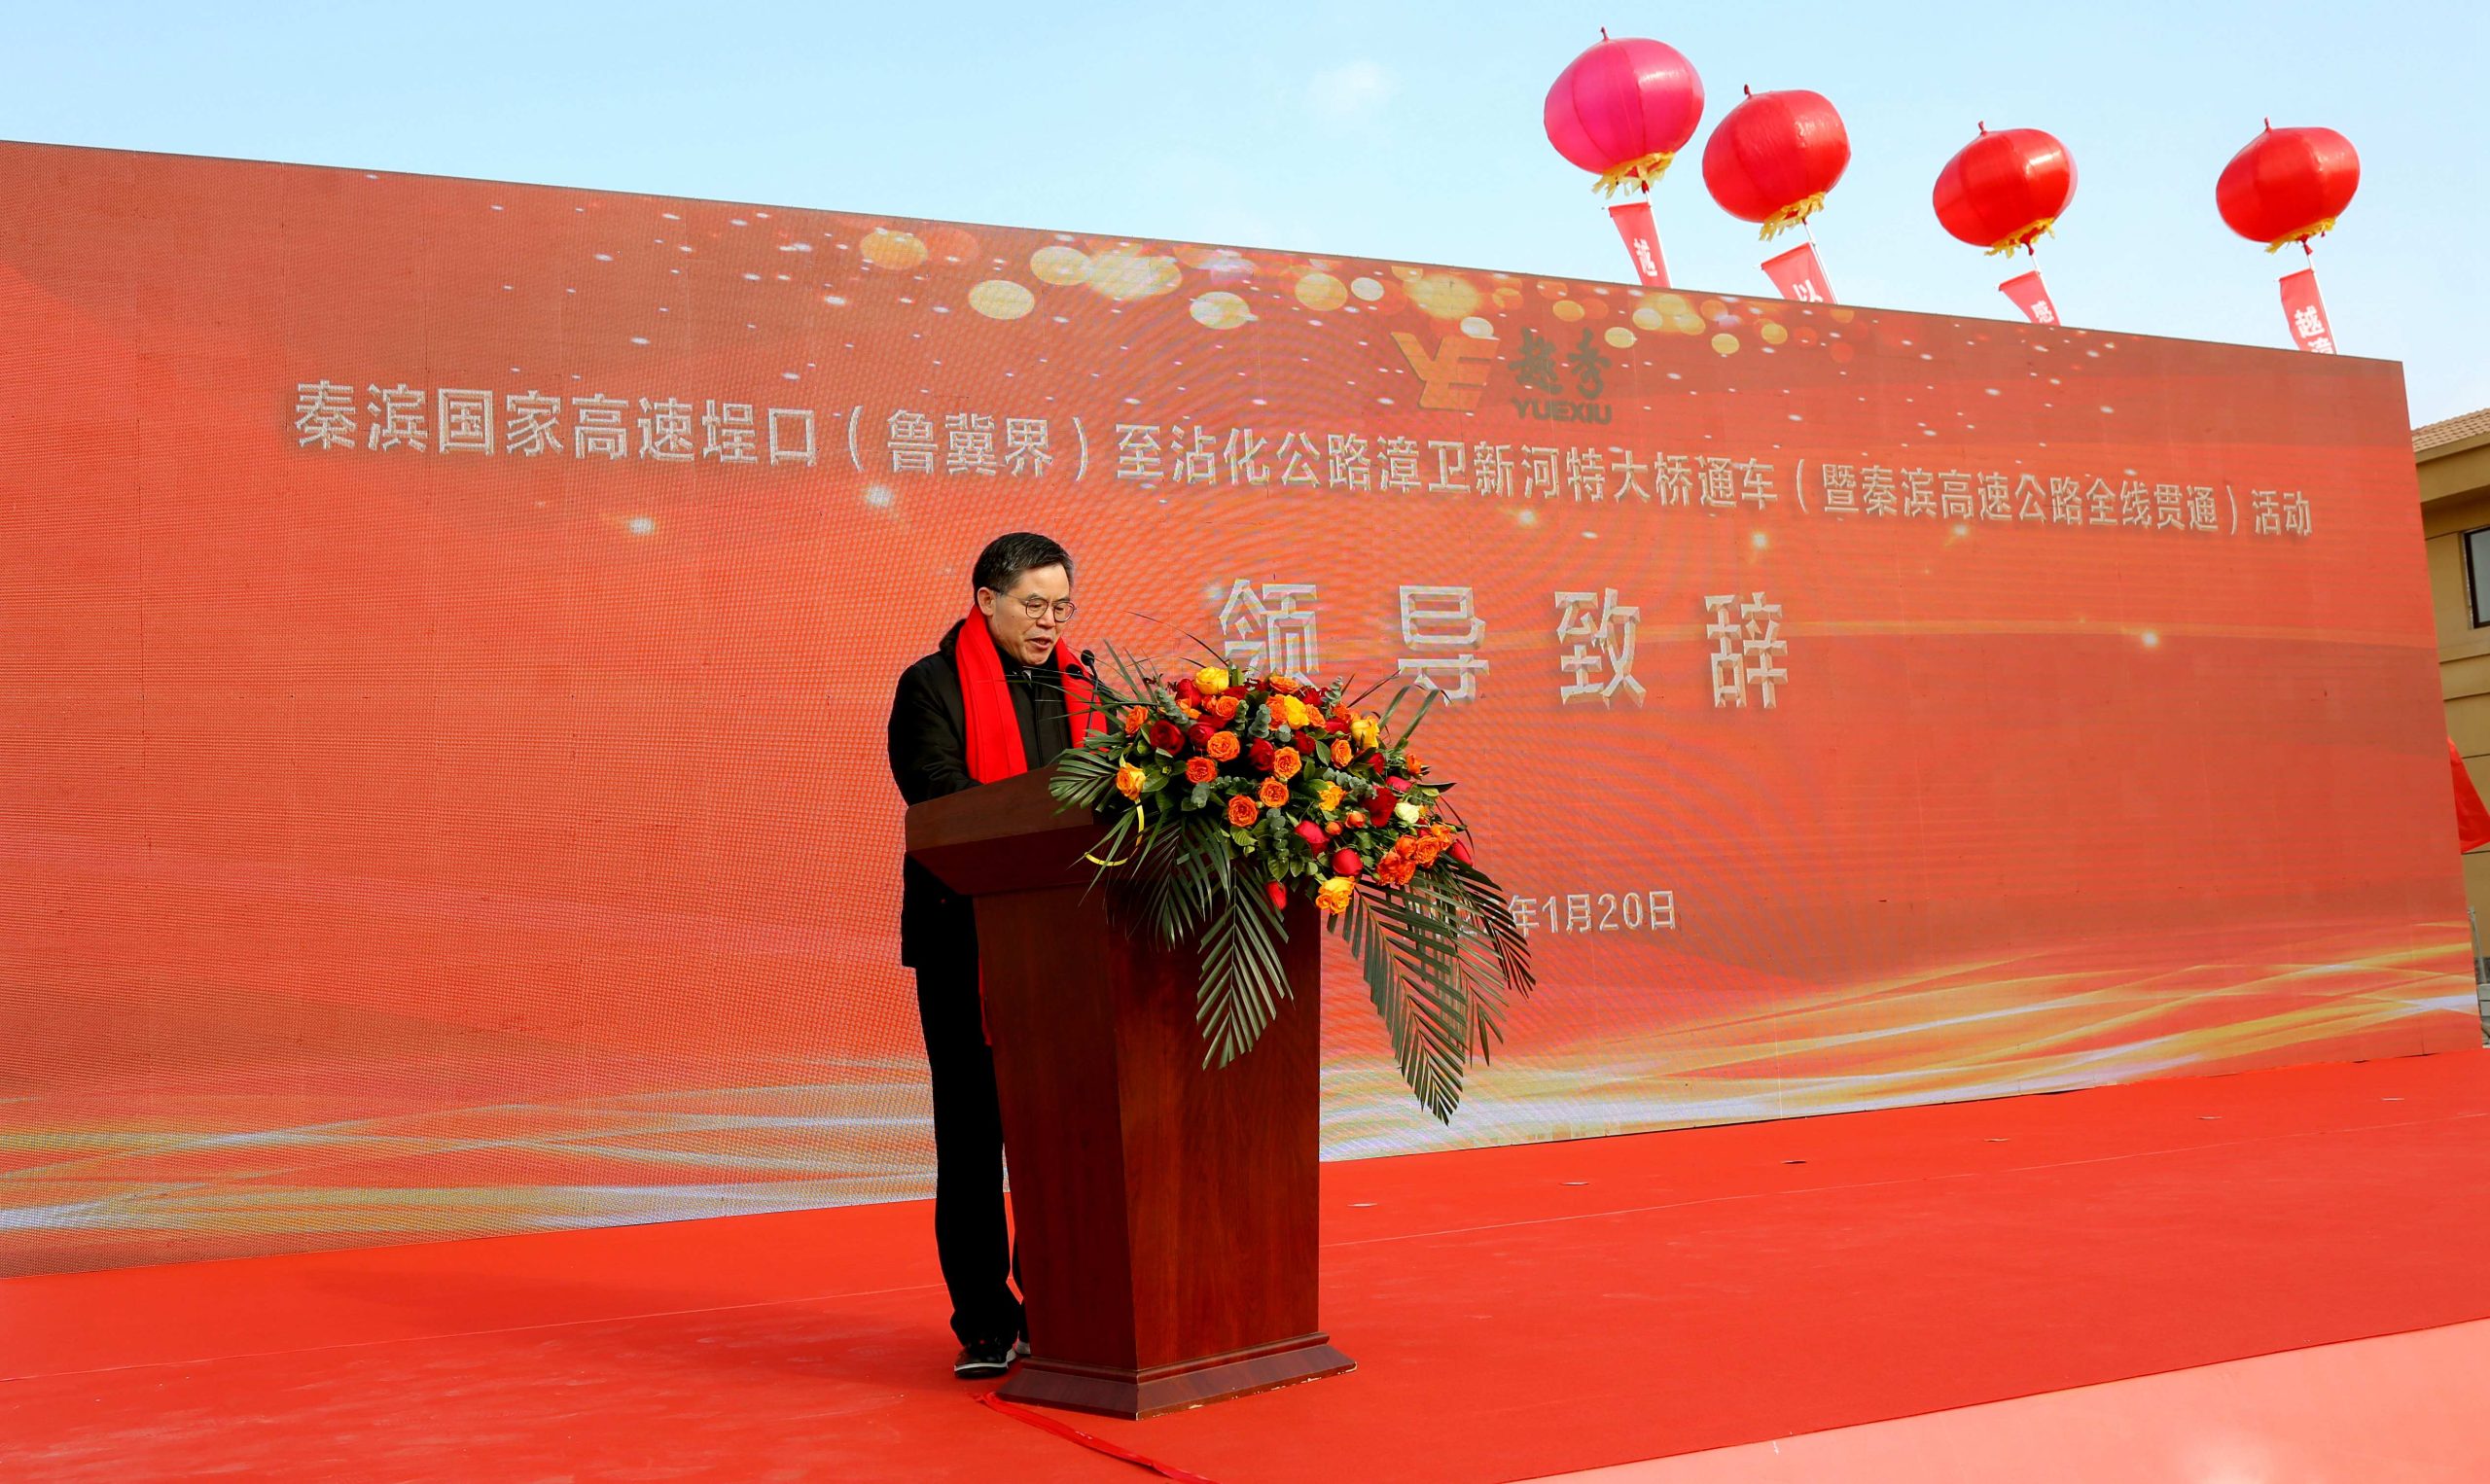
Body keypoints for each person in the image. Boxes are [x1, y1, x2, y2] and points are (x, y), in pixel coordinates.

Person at [883, 531, 1096, 1379]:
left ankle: (1063, 1304)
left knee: (1065, 1136)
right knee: (974, 1137)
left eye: (1061, 607)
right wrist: (1041, 823)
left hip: (1069, 942)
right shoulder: (931, 685)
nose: (1050, 623)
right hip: (964, 940)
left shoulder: (1085, 687)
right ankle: (983, 1321)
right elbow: (936, 794)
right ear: (986, 600)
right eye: (1034, 605)